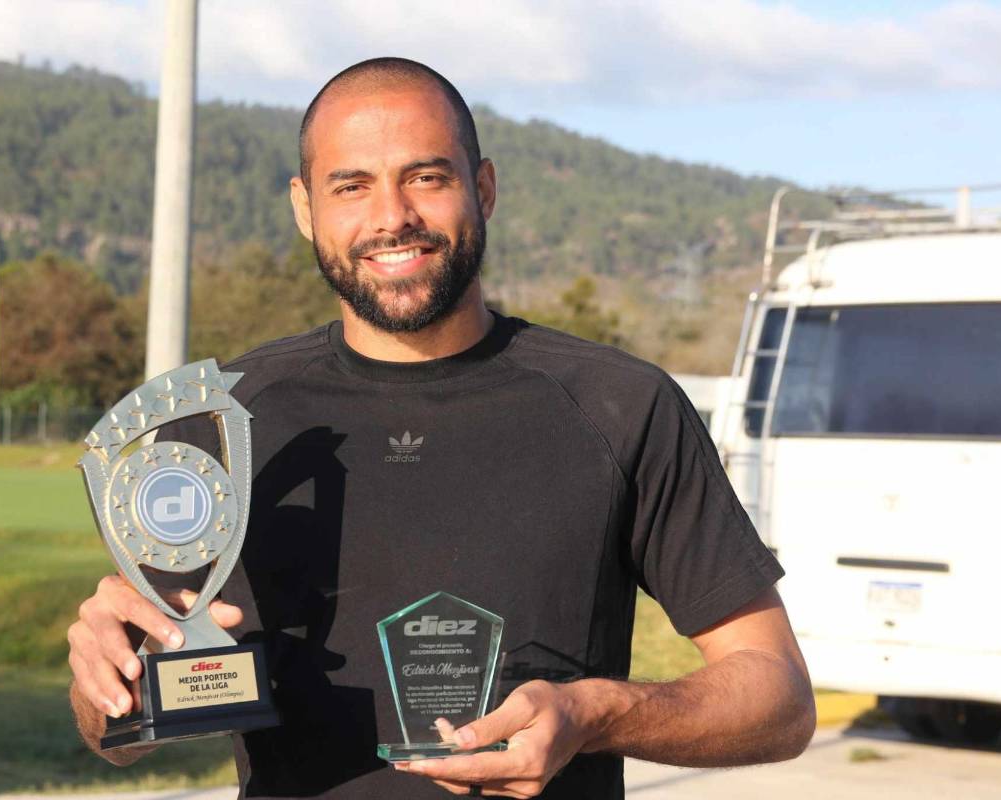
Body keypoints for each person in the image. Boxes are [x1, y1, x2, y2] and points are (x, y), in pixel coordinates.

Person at [67, 57, 815, 799]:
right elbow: (116, 740)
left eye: (426, 177)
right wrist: (108, 679)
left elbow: (778, 698)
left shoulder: (622, 404)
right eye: (352, 186)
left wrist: (594, 713)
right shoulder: (227, 421)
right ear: (305, 209)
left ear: (483, 189)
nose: (392, 216)